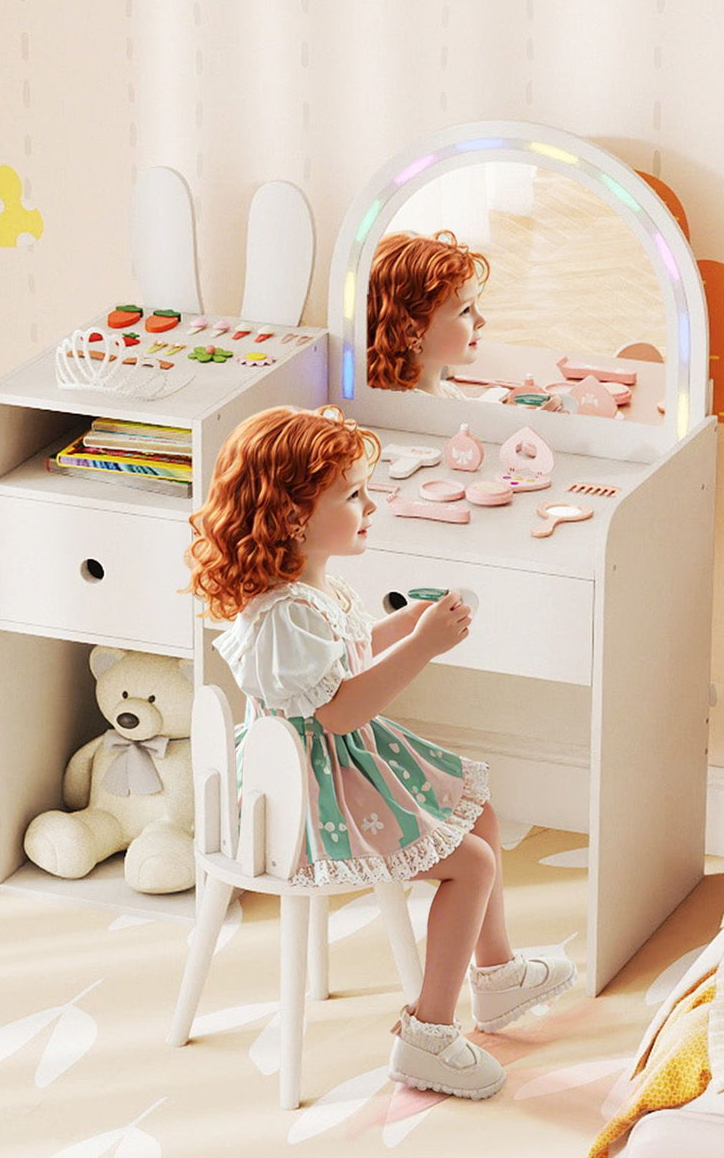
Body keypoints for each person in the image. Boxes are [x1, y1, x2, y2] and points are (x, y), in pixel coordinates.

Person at [186, 405, 576, 1101]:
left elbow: (348, 654)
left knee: (477, 811)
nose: (371, 507)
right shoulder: (284, 615)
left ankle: (495, 975)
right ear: (295, 518)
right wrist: (423, 647)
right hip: (308, 792)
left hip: (335, 764)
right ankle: (428, 1036)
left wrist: (406, 626)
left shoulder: (312, 589)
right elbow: (339, 710)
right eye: (352, 495)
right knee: (472, 864)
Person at [367, 230, 490, 398]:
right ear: (411, 331)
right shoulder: (412, 407)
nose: (482, 320)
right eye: (465, 310)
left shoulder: (447, 392)